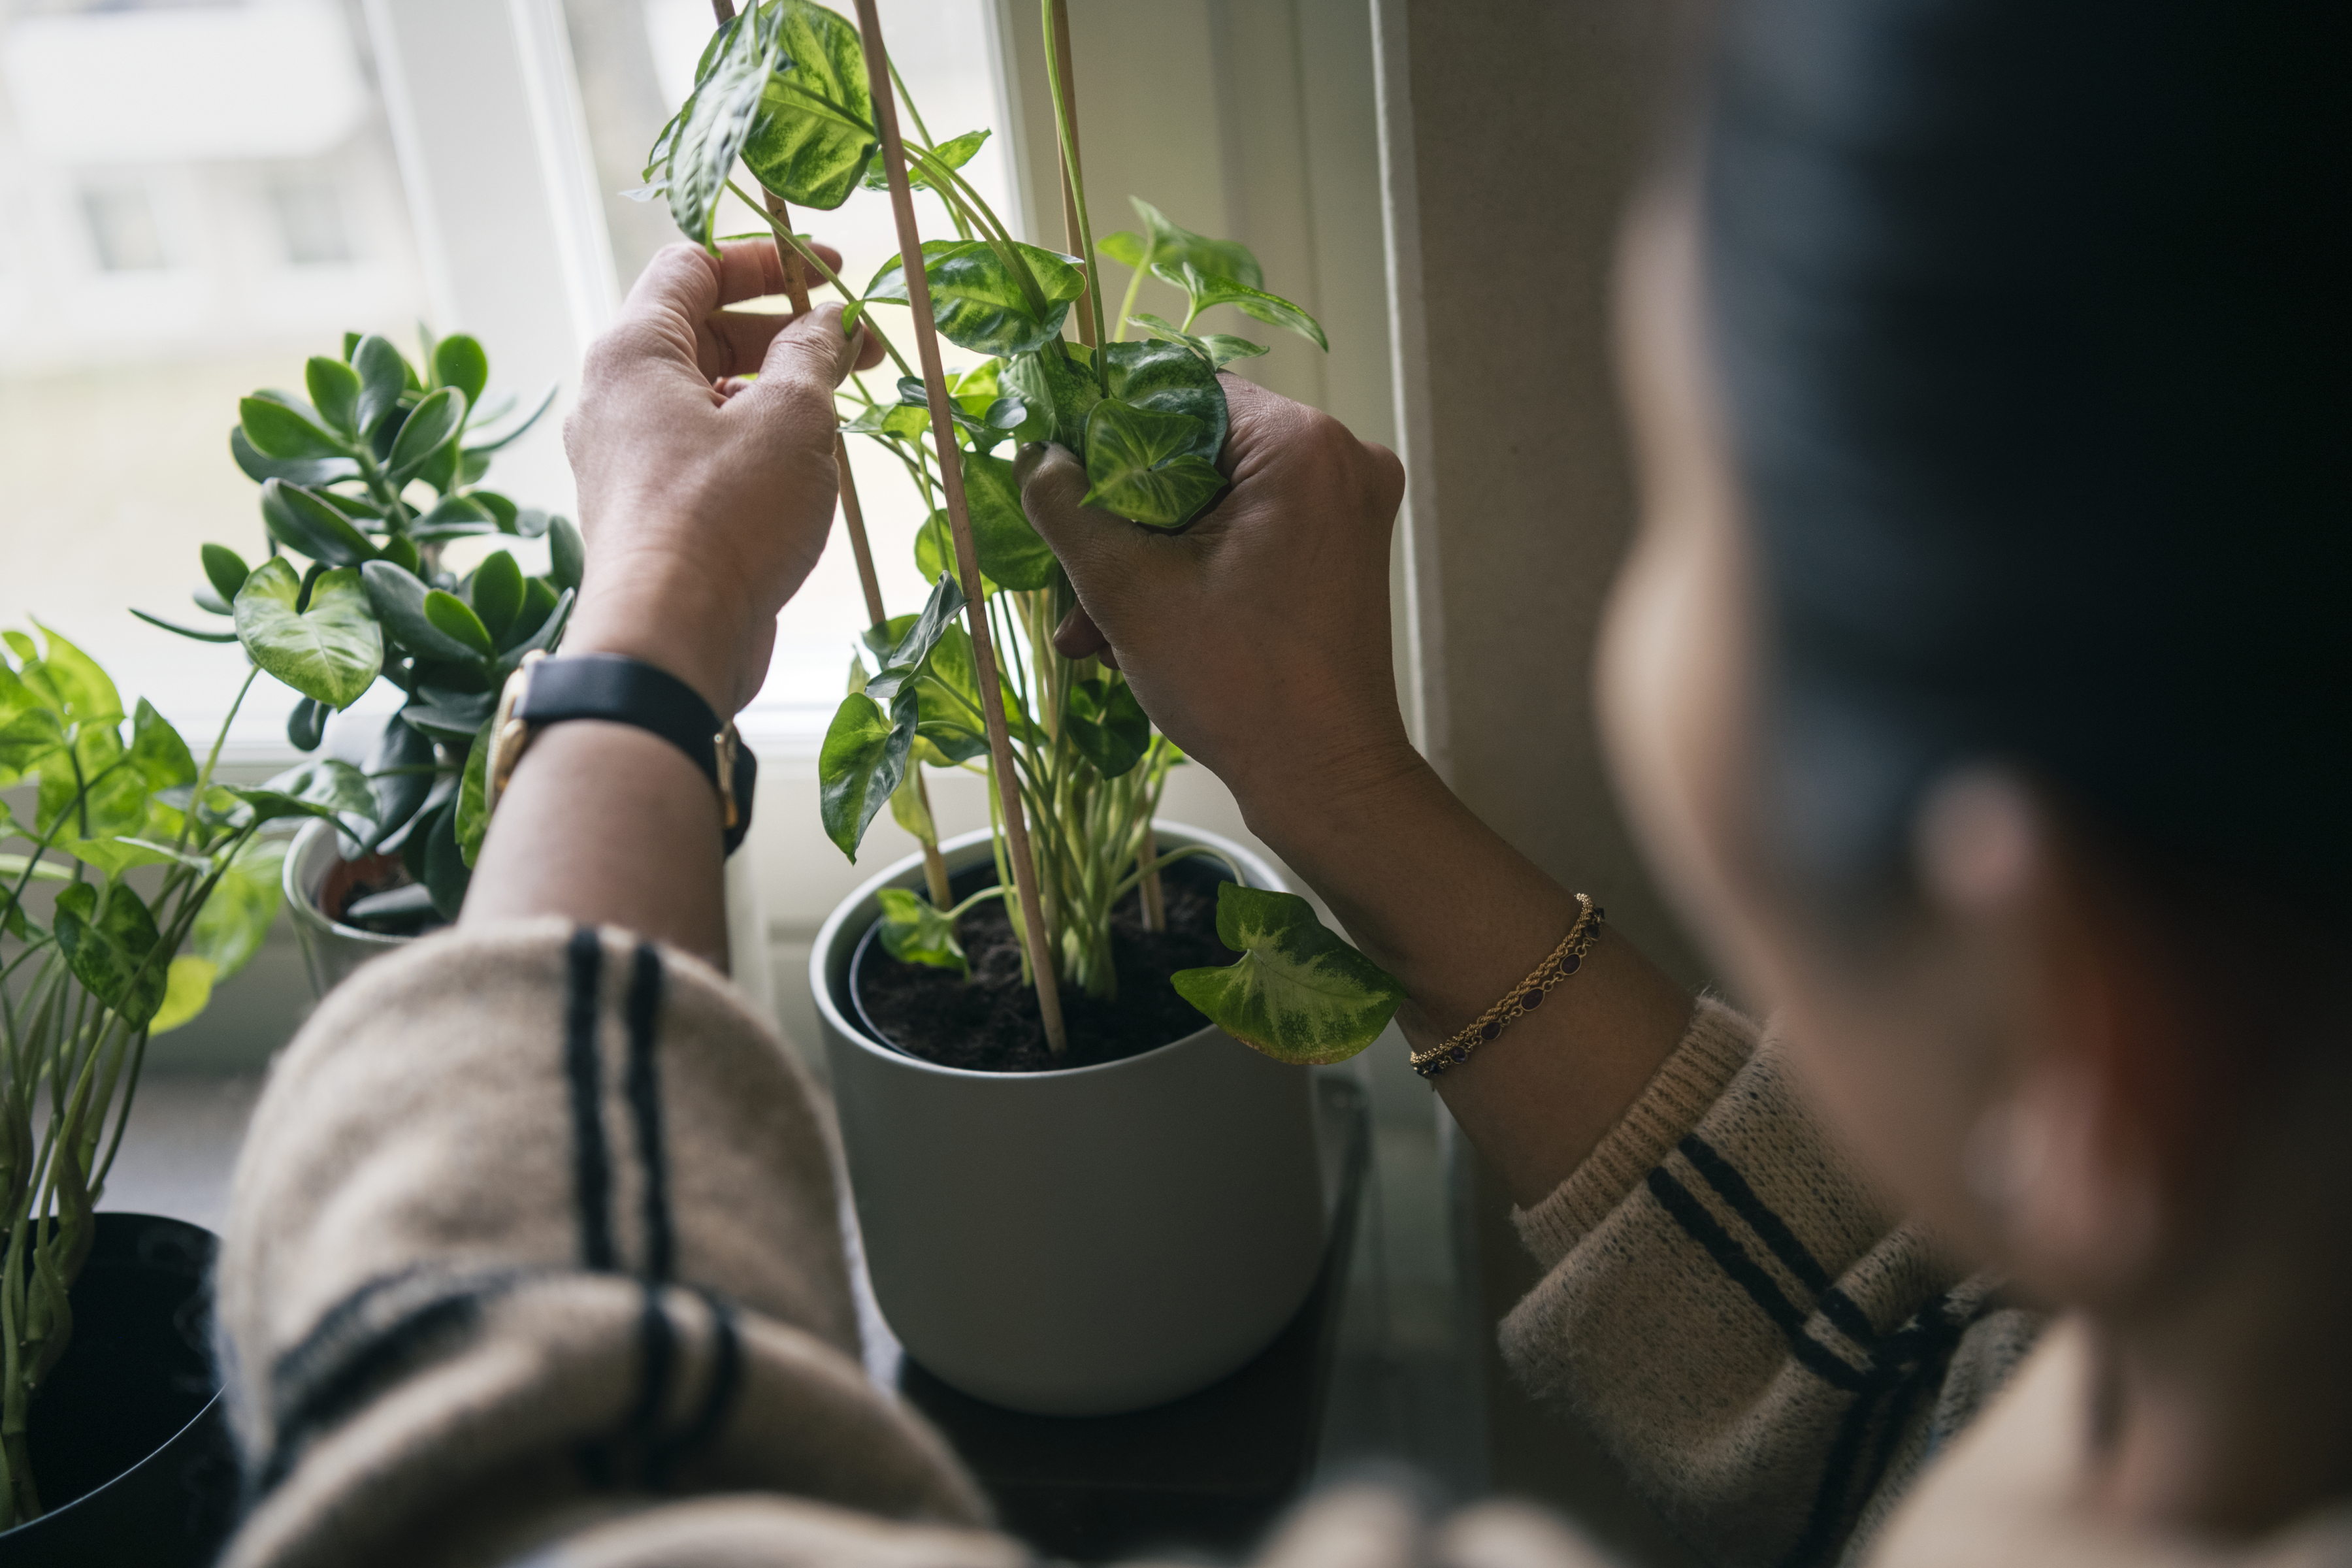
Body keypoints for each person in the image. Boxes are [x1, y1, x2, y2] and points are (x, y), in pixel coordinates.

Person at [209, 1, 2348, 1565]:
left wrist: (653, 630)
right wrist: (1328, 768)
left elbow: (491, 1459)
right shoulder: (2212, 1363)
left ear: (2081, 1019)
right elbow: (1903, 1378)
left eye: (1688, 506)